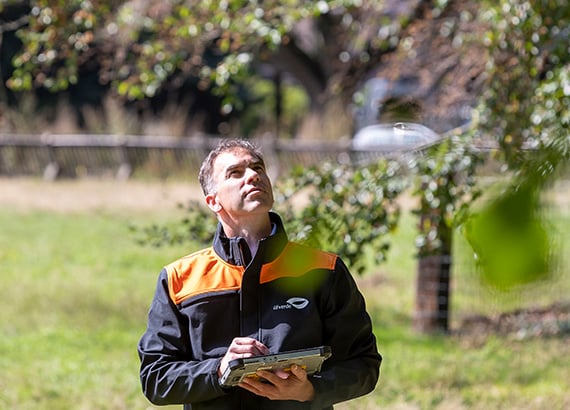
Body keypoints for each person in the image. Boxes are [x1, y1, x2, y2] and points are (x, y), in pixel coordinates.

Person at [138, 139, 381, 409]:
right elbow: (155, 379)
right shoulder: (179, 279)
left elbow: (364, 364)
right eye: (235, 173)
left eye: (258, 168)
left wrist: (311, 389)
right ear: (213, 201)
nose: (253, 176)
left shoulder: (324, 270)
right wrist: (219, 370)